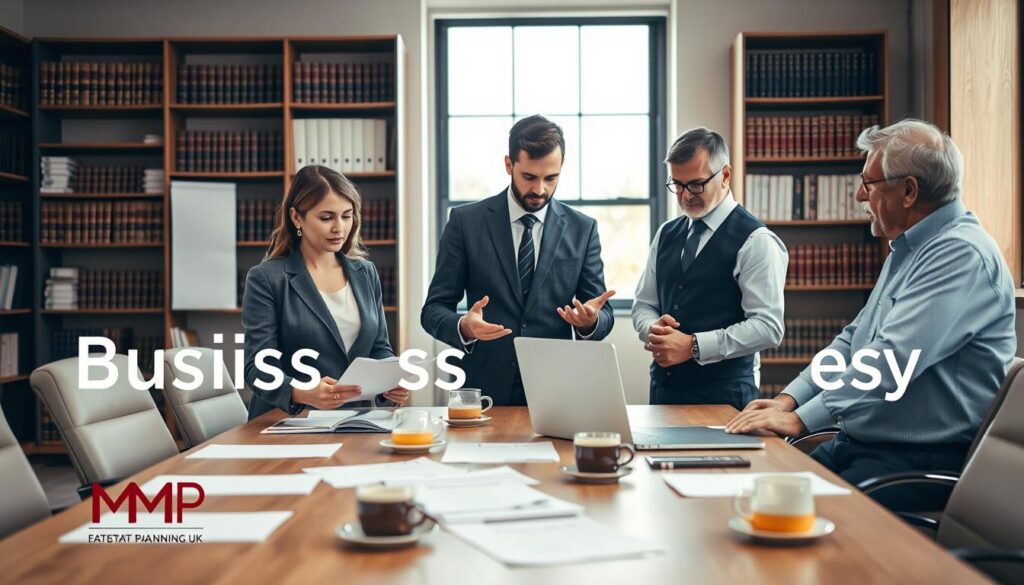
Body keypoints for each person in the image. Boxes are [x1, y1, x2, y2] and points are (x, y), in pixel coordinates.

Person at [725, 119, 1017, 510]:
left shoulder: (960, 254)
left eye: (869, 182)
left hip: (916, 462)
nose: (860, 194)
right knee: (754, 496)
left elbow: (892, 360)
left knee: (792, 528)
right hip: (861, 446)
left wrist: (803, 420)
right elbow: (853, 342)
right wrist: (790, 401)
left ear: (909, 191)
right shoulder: (911, 248)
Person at [421, 115, 616, 406]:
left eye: (551, 178)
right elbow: (433, 309)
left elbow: (602, 314)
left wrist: (590, 322)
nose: (540, 189)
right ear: (509, 165)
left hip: (556, 389)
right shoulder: (465, 222)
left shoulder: (583, 229)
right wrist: (464, 326)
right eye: (529, 177)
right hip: (482, 389)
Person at [633, 127, 787, 410]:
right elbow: (643, 304)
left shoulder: (757, 241)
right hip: (662, 393)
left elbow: (768, 327)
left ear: (725, 175)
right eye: (677, 185)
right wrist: (652, 328)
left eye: (695, 184)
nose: (685, 196)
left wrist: (693, 346)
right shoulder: (666, 233)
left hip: (724, 398)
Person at [242, 165, 409, 419]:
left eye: (346, 216)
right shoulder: (266, 278)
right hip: (288, 422)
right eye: (326, 217)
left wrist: (390, 384)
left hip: (357, 422)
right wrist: (301, 392)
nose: (339, 228)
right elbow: (258, 369)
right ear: (297, 218)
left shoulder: (366, 273)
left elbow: (379, 348)